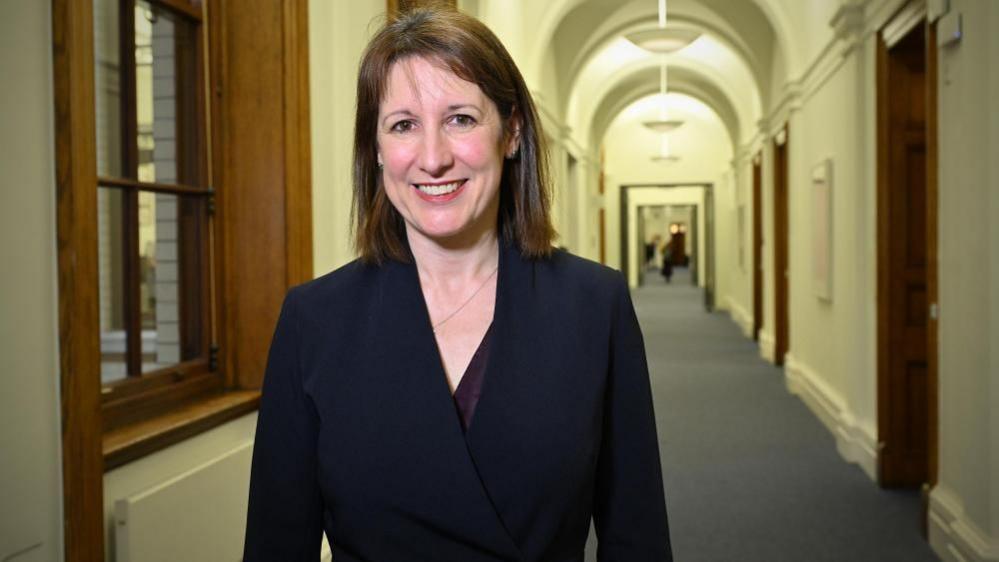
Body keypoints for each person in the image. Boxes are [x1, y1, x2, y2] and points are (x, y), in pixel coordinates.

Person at [244, 6, 671, 561]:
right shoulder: (314, 321)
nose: (433, 157)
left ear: (512, 132)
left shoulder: (595, 305)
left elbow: (636, 539)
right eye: (403, 125)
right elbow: (276, 549)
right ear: (375, 150)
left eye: (460, 119)